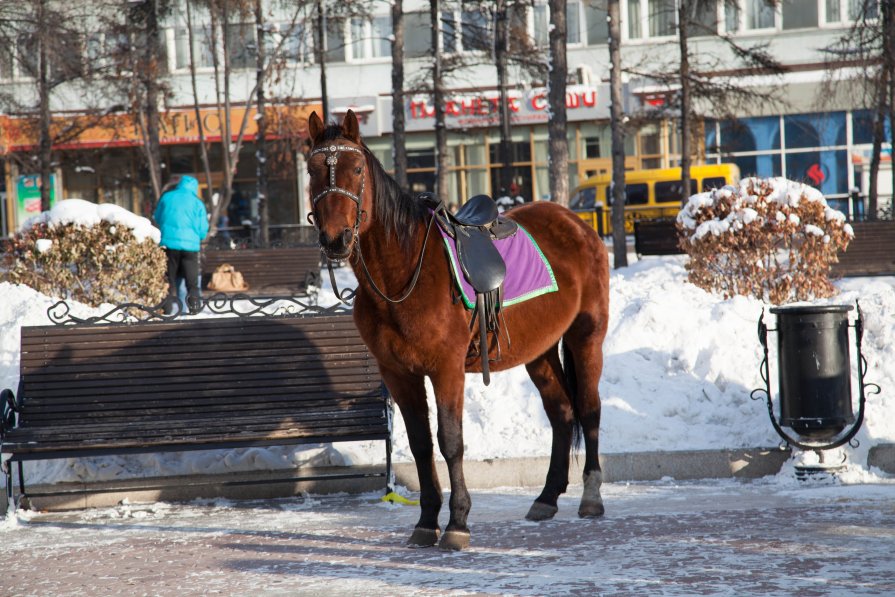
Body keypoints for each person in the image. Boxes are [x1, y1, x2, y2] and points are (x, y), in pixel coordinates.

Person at [153, 175, 209, 315]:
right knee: (192, 283)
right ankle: (194, 310)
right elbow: (203, 228)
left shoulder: (167, 197)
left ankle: (167, 311)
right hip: (190, 248)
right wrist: (198, 237)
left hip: (169, 245)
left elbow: (158, 217)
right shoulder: (197, 202)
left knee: (168, 280)